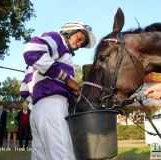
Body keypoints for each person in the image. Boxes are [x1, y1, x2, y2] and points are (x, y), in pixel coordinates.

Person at [20, 21, 96, 160]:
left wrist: (69, 91)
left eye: (82, 44)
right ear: (68, 32)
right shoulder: (57, 39)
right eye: (79, 38)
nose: (79, 44)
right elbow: (31, 51)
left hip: (36, 111)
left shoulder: (51, 57)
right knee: (62, 155)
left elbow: (24, 91)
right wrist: (67, 80)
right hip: (52, 107)